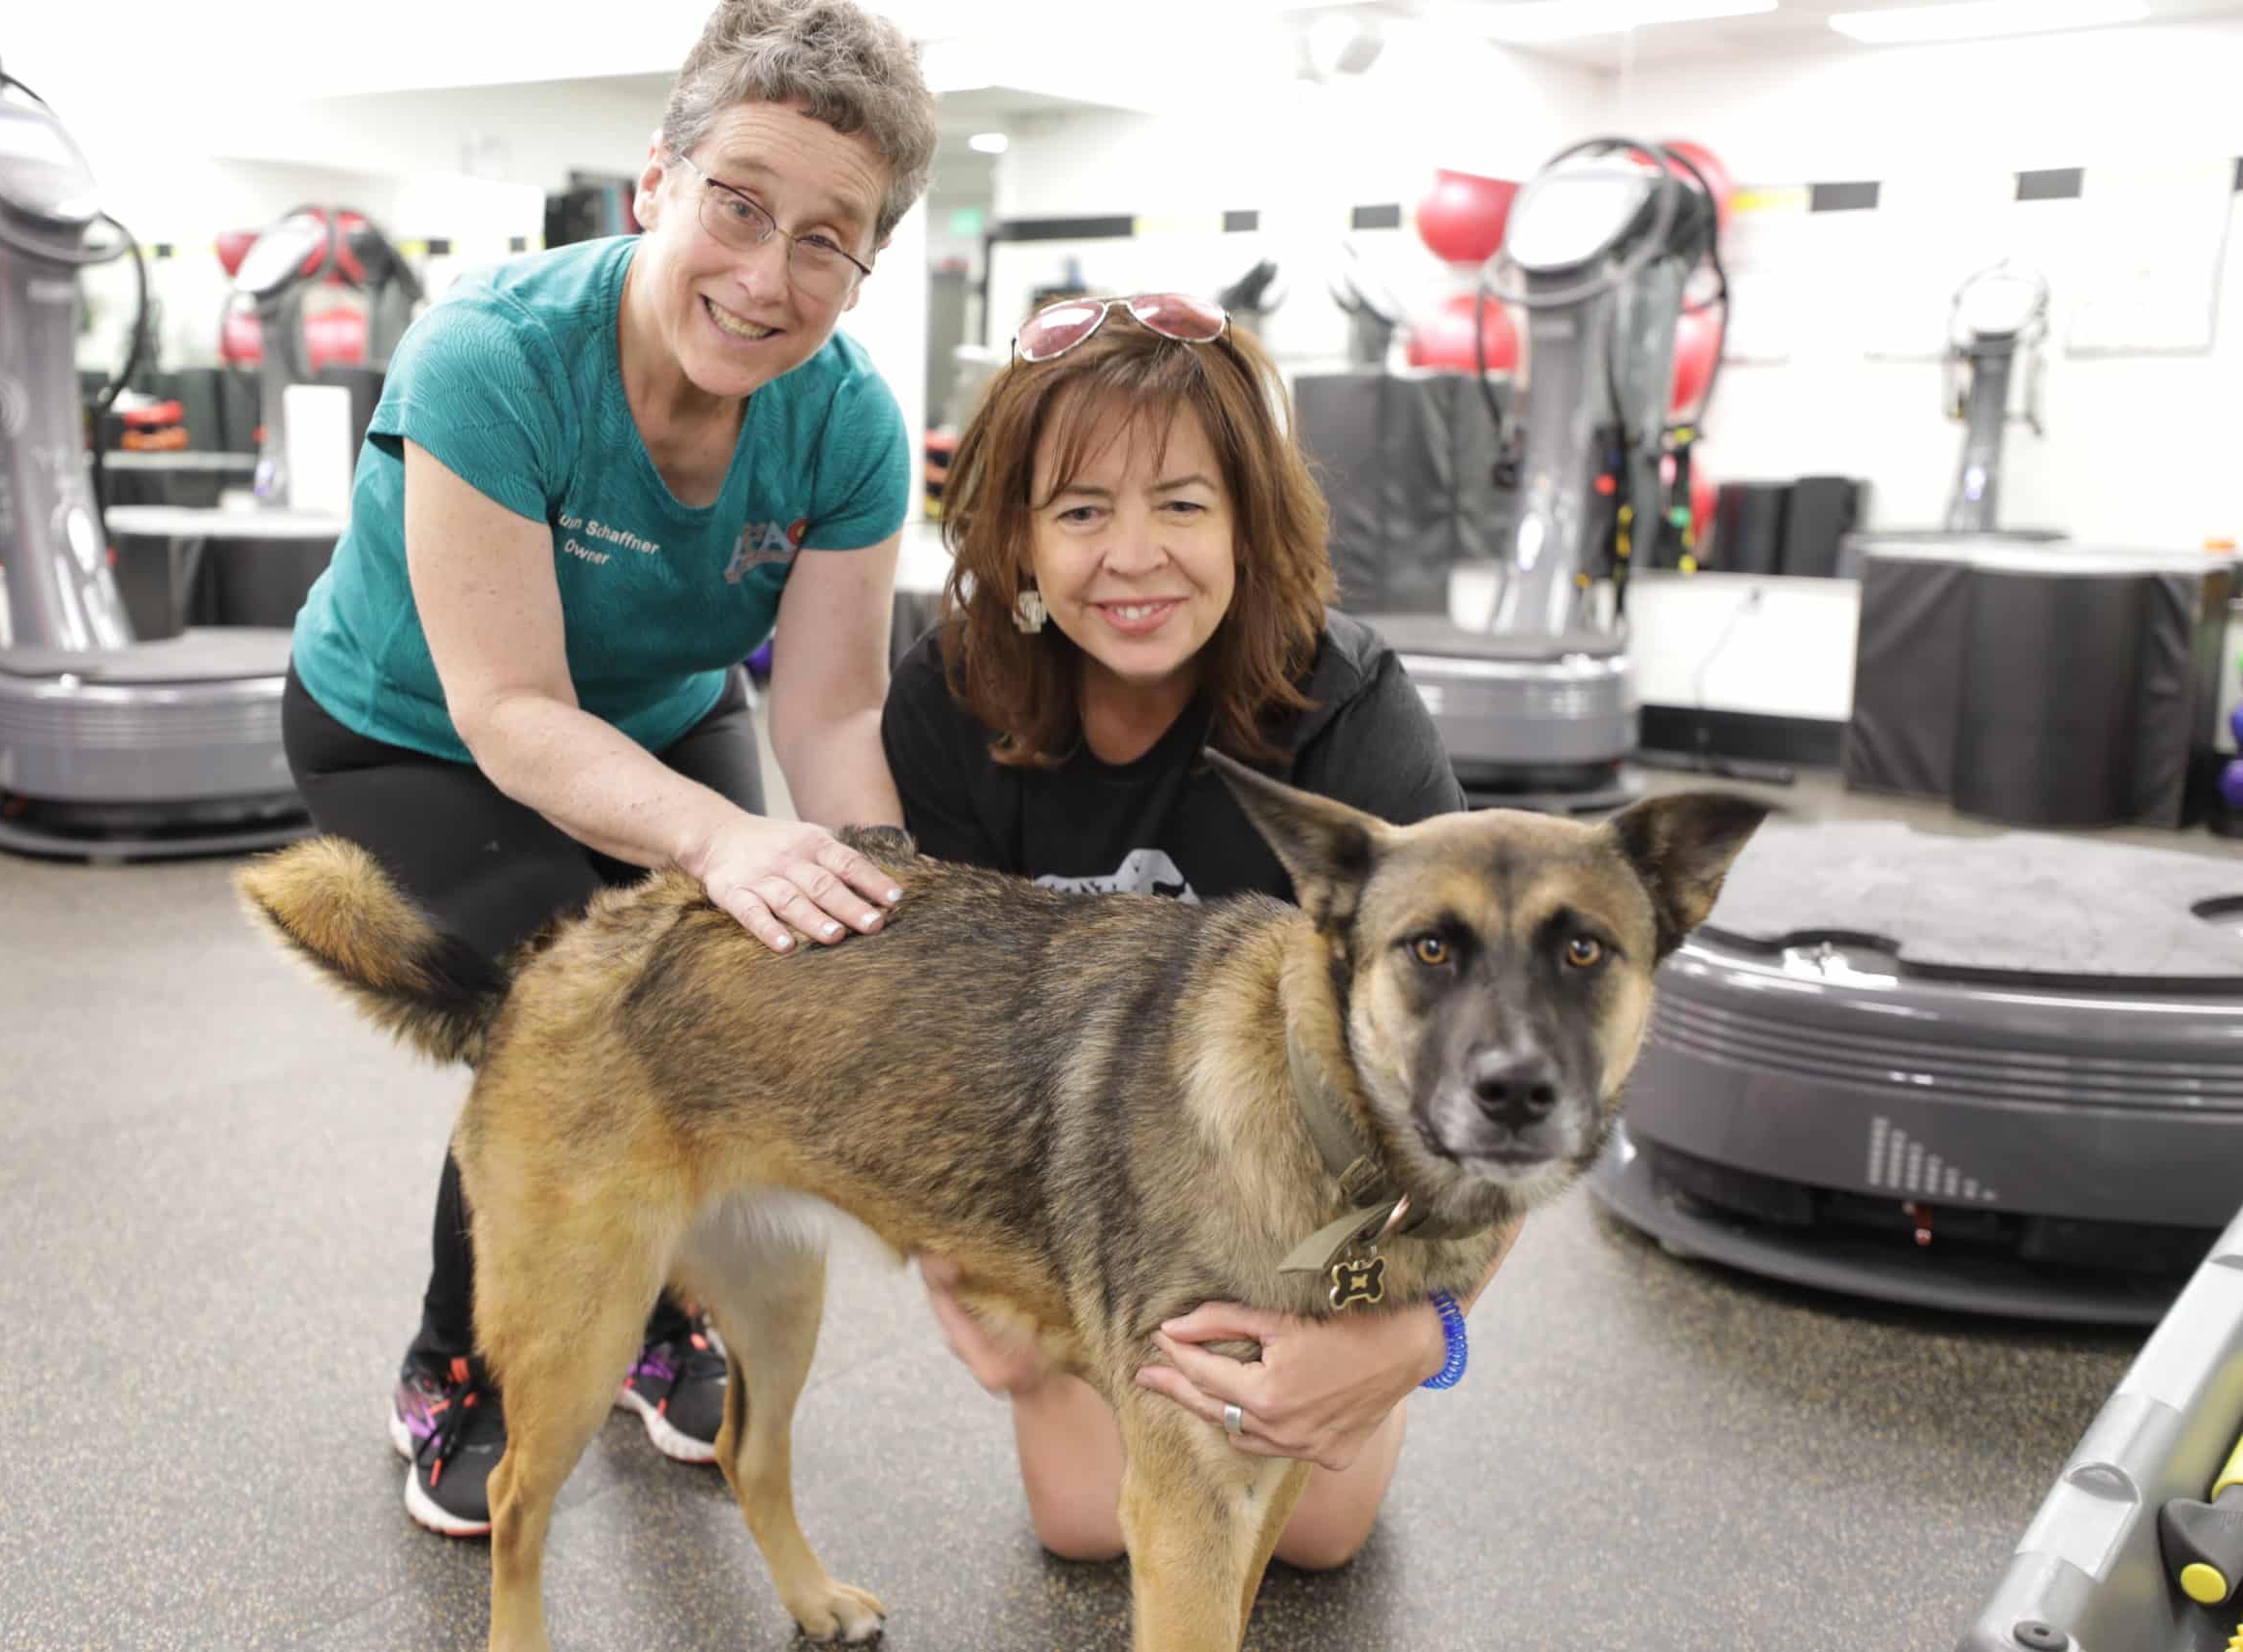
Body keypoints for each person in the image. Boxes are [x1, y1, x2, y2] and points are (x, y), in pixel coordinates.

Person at [280, 0, 937, 1537]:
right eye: (739, 206)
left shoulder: (850, 430)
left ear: (865, 266)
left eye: (828, 242)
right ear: (659, 180)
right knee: (558, 1003)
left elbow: (832, 715)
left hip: (650, 713)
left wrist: (898, 916)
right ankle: (461, 1367)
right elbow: (509, 711)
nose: (768, 276)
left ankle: (652, 1315)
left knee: (723, 993)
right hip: (409, 724)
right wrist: (721, 845)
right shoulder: (492, 357)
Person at [880, 293, 1522, 1571]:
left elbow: (1486, 1058)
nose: (1134, 557)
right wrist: (957, 1263)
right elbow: (929, 1036)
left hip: (1309, 1193)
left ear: (1247, 521)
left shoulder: (1346, 714)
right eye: (1079, 512)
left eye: (1182, 504)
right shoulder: (948, 700)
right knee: (1083, 1527)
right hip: (1078, 1197)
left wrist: (1408, 1336)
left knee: (1316, 1537)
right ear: (1014, 535)